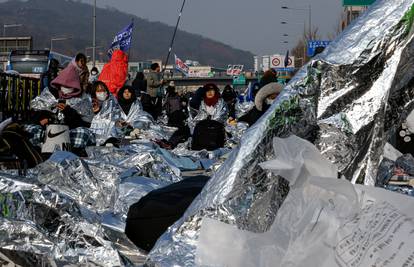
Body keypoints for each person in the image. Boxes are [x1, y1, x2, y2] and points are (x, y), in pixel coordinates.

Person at [25, 63, 95, 156]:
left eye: (69, 86)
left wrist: (69, 112)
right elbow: (35, 114)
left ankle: (75, 155)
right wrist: (42, 120)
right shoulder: (49, 94)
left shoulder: (83, 99)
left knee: (83, 133)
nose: (65, 88)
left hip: (70, 135)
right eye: (63, 85)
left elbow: (85, 124)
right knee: (29, 129)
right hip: (46, 131)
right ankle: (35, 154)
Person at [191, 83, 228, 151]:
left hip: (216, 131)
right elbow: (192, 104)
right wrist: (200, 90)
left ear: (215, 91)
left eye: (212, 90)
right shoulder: (201, 103)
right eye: (207, 90)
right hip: (202, 132)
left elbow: (221, 117)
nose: (210, 92)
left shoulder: (221, 103)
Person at [90, 81, 121, 145]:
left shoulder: (112, 102)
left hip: (111, 135)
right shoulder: (90, 103)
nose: (102, 93)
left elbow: (118, 117)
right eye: (99, 91)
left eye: (103, 90)